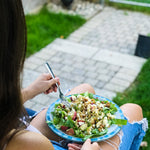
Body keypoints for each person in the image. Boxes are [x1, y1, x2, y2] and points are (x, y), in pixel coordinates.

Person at [0, 0, 148, 150]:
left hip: (20, 130)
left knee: (86, 88)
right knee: (133, 109)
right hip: (26, 141)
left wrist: (30, 91)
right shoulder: (28, 142)